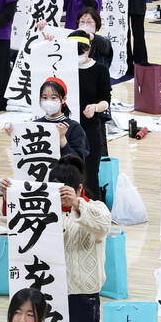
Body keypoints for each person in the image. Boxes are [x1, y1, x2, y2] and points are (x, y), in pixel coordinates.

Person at [0, 155, 112, 322]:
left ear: (80, 189)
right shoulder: (41, 209)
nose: (60, 196)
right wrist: (10, 195)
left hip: (82, 296)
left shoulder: (95, 207)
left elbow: (104, 225)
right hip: (47, 295)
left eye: (66, 191)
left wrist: (77, 204)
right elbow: (12, 225)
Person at [66, 31, 111, 198]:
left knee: (90, 177)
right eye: (73, 51)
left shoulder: (99, 69)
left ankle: (94, 215)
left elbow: (106, 100)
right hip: (66, 129)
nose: (78, 55)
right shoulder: (62, 68)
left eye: (81, 51)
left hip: (90, 129)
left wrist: (95, 107)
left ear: (89, 48)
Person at [6, 79, 89, 162]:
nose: (48, 101)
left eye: (53, 97)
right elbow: (24, 153)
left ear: (63, 99)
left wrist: (62, 139)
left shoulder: (73, 127)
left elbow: (79, 161)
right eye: (44, 97)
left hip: (63, 174)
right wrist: (15, 134)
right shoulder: (35, 125)